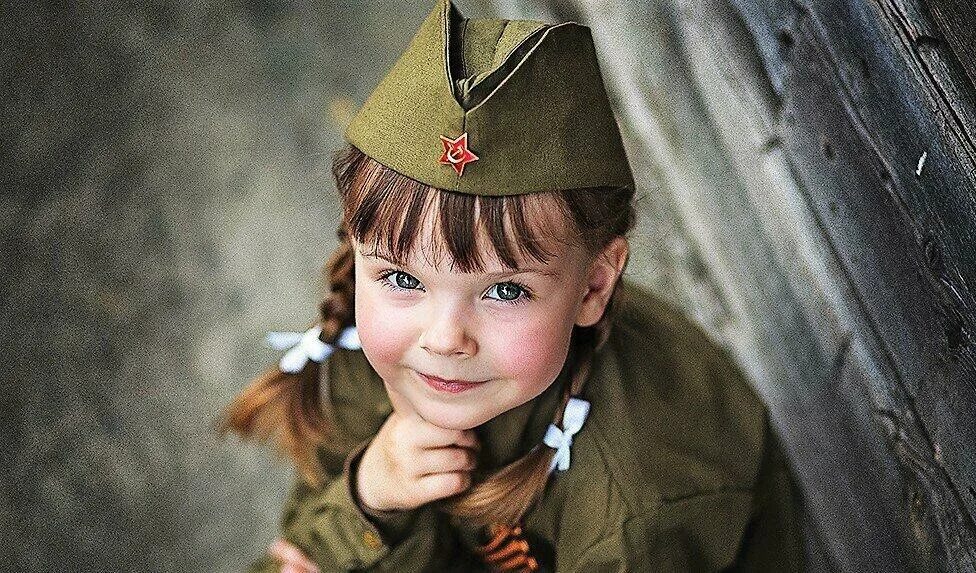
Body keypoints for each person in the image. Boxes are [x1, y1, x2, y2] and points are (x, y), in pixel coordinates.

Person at [220, 0, 806, 571]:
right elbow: (302, 547)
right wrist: (370, 501)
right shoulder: (370, 353)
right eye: (402, 278)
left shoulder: (632, 514)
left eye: (503, 291)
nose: (445, 339)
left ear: (594, 287)